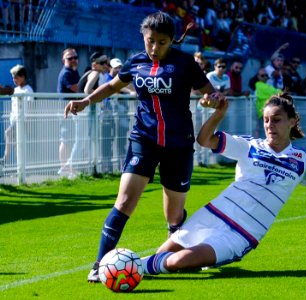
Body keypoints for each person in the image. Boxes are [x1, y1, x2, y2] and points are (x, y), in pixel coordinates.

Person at [141, 92, 306, 275]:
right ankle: (123, 267)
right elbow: (204, 140)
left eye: (277, 120)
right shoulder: (249, 146)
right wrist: (219, 113)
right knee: (162, 256)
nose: (270, 125)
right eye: (266, 120)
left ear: (292, 121)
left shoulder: (304, 162)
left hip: (241, 234)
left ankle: (128, 267)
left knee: (176, 262)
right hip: (213, 215)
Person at [62, 11, 223, 283]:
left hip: (178, 144)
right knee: (125, 201)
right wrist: (86, 101)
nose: (154, 47)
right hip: (143, 140)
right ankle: (100, 263)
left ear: (171, 40)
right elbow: (113, 86)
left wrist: (212, 100)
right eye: (150, 41)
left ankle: (178, 249)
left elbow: (210, 93)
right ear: (143, 38)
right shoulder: (135, 62)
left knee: (174, 216)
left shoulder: (185, 63)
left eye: (161, 42)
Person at [0, 64, 33, 165]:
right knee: (17, 146)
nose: (14, 80)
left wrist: (28, 121)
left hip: (22, 121)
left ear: (23, 77)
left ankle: (5, 158)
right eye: (13, 78)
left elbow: (30, 107)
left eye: (16, 77)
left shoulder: (28, 90)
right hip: (14, 120)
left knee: (8, 133)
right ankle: (20, 168)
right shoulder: (16, 90)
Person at [57, 48, 80, 178]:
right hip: (65, 110)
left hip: (72, 110)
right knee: (65, 139)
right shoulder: (66, 73)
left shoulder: (73, 72)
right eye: (69, 58)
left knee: (70, 139)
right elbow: (76, 88)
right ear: (63, 60)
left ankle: (69, 167)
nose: (73, 60)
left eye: (75, 57)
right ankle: (64, 167)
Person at [254, 67, 281, 138]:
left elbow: (275, 92)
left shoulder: (268, 85)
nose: (264, 77)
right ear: (258, 76)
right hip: (263, 114)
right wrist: (278, 92)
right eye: (262, 75)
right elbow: (275, 92)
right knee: (264, 134)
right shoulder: (258, 85)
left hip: (269, 113)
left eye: (266, 75)